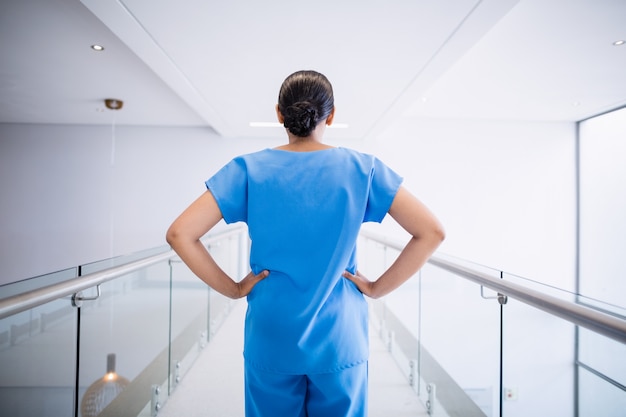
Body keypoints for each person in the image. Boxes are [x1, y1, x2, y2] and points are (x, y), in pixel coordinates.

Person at [166, 70, 445, 417]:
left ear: (279, 114)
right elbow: (431, 232)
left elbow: (180, 233)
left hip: (272, 334)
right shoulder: (363, 169)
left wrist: (234, 289)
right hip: (339, 338)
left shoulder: (248, 169)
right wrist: (375, 287)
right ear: (331, 115)